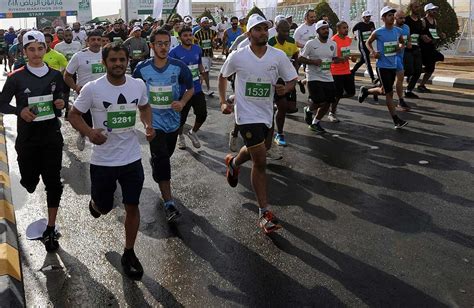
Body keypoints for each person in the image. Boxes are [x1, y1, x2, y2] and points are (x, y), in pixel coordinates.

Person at [68, 43, 154, 280]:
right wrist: (89, 132)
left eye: (122, 60)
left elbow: (145, 107)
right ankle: (96, 204)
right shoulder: (92, 89)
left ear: (128, 61)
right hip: (103, 160)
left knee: (132, 205)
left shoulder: (137, 84)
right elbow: (73, 115)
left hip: (131, 158)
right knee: (104, 207)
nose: (118, 64)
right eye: (113, 60)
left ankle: (129, 253)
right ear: (104, 62)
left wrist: (147, 125)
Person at [218, 14, 297, 234]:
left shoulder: (278, 56)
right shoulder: (238, 56)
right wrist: (224, 101)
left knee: (263, 148)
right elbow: (223, 76)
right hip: (245, 115)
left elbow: (292, 78)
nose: (262, 32)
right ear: (249, 33)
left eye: (265, 29)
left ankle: (234, 163)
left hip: (265, 113)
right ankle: (264, 213)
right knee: (260, 161)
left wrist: (286, 89)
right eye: (258, 29)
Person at [0, 30, 65, 252]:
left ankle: (50, 227)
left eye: (40, 48)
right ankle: (30, 180)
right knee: (29, 182)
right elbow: (1, 104)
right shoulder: (16, 77)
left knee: (54, 183)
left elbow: (61, 98)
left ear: (46, 49)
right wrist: (21, 111)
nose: (36, 53)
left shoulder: (55, 75)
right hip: (27, 140)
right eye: (31, 49)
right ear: (24, 51)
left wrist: (60, 104)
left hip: (52, 138)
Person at [133, 29, 194, 222]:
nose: (163, 47)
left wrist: (182, 103)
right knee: (162, 159)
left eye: (166, 43)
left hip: (173, 122)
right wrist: (145, 121)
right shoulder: (141, 69)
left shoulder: (179, 66)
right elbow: (136, 95)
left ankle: (157, 164)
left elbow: (190, 88)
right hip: (154, 123)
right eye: (159, 43)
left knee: (165, 155)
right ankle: (169, 203)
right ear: (151, 46)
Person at [359, 6, 408, 129]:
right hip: (382, 66)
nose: (392, 17)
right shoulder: (378, 32)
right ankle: (396, 120)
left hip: (393, 65)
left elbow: (402, 42)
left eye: (392, 14)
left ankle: (366, 91)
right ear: (383, 18)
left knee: (383, 91)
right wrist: (373, 52)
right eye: (389, 15)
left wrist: (400, 47)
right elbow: (367, 42)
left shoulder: (397, 31)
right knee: (389, 94)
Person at [65, 30, 106, 151]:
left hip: (104, 94)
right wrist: (76, 87)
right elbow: (67, 75)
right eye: (93, 39)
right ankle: (83, 134)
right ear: (87, 41)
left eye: (99, 39)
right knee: (85, 121)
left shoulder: (106, 54)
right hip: (86, 95)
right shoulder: (79, 56)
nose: (96, 42)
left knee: (103, 121)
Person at [169, 27, 207, 150]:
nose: (188, 37)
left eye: (190, 35)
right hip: (182, 90)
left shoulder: (197, 49)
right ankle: (180, 136)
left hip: (196, 88)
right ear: (180, 38)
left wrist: (201, 73)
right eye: (185, 35)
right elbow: (170, 70)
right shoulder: (174, 52)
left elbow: (199, 63)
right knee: (181, 119)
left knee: (202, 114)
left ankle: (192, 132)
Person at [299, 20, 338, 134]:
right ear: (317, 31)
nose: (326, 31)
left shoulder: (333, 44)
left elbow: (333, 58)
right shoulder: (311, 44)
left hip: (327, 76)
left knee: (329, 101)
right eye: (323, 29)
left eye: (327, 28)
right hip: (313, 76)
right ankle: (309, 109)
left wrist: (344, 59)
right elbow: (301, 58)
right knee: (319, 101)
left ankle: (315, 123)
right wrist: (313, 61)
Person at [268, 19, 299, 146]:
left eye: (288, 30)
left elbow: (296, 56)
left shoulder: (291, 41)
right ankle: (279, 134)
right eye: (284, 30)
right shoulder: (271, 43)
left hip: (289, 78)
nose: (287, 33)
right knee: (282, 106)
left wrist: (295, 71)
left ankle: (276, 106)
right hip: (276, 80)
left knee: (290, 108)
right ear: (277, 30)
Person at [330, 21, 356, 123]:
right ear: (338, 29)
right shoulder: (333, 41)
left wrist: (352, 58)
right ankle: (332, 112)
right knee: (338, 94)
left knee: (351, 92)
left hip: (346, 70)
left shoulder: (348, 40)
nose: (346, 29)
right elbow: (332, 59)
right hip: (336, 71)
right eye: (344, 28)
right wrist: (342, 59)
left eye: (347, 28)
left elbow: (348, 54)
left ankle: (331, 99)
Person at [418, 3, 445, 93]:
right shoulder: (423, 21)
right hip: (423, 48)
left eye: (435, 10)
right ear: (428, 11)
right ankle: (414, 72)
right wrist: (423, 36)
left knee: (436, 62)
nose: (435, 11)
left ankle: (421, 85)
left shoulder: (434, 21)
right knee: (428, 67)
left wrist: (441, 35)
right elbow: (417, 32)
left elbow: (434, 32)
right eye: (433, 10)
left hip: (431, 47)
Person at [404, 0, 423, 99]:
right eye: (416, 7)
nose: (418, 9)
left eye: (419, 7)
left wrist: (424, 37)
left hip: (416, 48)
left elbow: (420, 34)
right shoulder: (406, 20)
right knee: (410, 70)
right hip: (407, 49)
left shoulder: (420, 21)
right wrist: (407, 42)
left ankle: (408, 90)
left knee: (418, 70)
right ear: (411, 8)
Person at [351, 11, 377, 83]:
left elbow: (373, 31)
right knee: (367, 61)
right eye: (367, 16)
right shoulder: (360, 24)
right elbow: (353, 29)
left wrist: (373, 31)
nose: (368, 18)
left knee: (362, 60)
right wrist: (354, 35)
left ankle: (352, 71)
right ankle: (373, 78)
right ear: (363, 17)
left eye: (369, 16)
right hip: (362, 46)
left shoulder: (372, 23)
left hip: (368, 45)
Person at [194, 17, 218, 96]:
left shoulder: (213, 32)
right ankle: (208, 89)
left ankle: (197, 89)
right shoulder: (197, 33)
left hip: (210, 54)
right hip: (202, 55)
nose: (206, 24)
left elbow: (215, 43)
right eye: (204, 23)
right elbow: (194, 44)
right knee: (205, 72)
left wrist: (214, 44)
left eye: (207, 23)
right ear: (201, 24)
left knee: (203, 73)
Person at [394, 10, 412, 111]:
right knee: (398, 78)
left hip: (401, 56)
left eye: (404, 18)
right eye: (400, 18)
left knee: (399, 78)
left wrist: (409, 43)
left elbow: (408, 39)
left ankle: (367, 91)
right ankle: (400, 101)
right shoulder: (392, 29)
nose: (403, 20)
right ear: (395, 18)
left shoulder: (406, 27)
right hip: (392, 57)